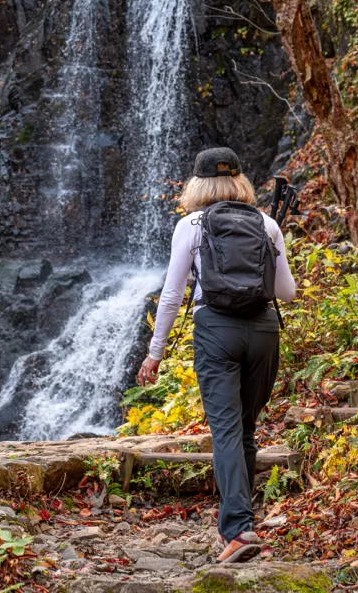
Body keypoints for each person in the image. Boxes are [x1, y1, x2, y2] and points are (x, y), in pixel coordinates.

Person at [136, 147, 296, 565]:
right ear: (239, 182)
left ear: (197, 184)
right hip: (263, 332)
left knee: (225, 430)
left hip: (216, 332)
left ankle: (239, 529)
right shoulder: (267, 224)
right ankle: (241, 525)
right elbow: (287, 292)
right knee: (244, 428)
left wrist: (156, 353)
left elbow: (172, 296)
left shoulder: (190, 224)